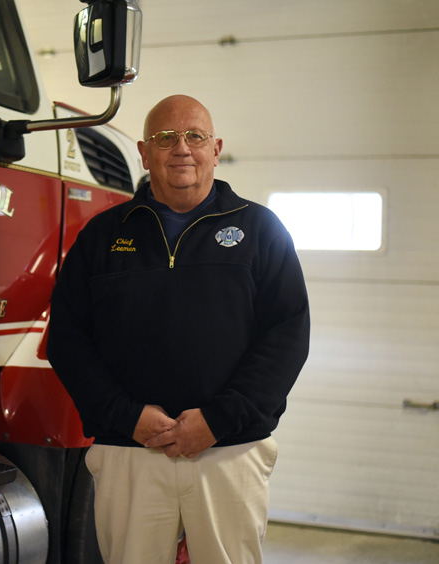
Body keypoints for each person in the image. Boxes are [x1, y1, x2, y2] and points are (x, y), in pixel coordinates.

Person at [46, 94, 310, 564]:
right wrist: (127, 416)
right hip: (130, 452)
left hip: (229, 449)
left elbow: (287, 337)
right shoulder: (101, 237)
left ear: (216, 148)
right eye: (166, 138)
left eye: (195, 137)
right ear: (145, 154)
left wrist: (218, 420)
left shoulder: (261, 230)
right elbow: (68, 341)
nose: (181, 148)